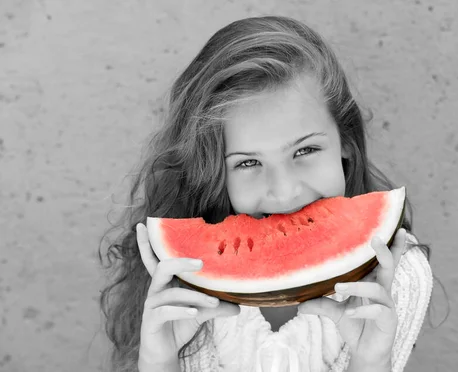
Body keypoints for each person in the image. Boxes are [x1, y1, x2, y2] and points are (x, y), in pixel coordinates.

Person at [98, 15, 433, 372]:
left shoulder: (396, 278)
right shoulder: (178, 279)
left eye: (305, 151)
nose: (285, 191)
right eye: (247, 163)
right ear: (211, 171)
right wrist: (159, 360)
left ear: (346, 143)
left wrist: (370, 361)